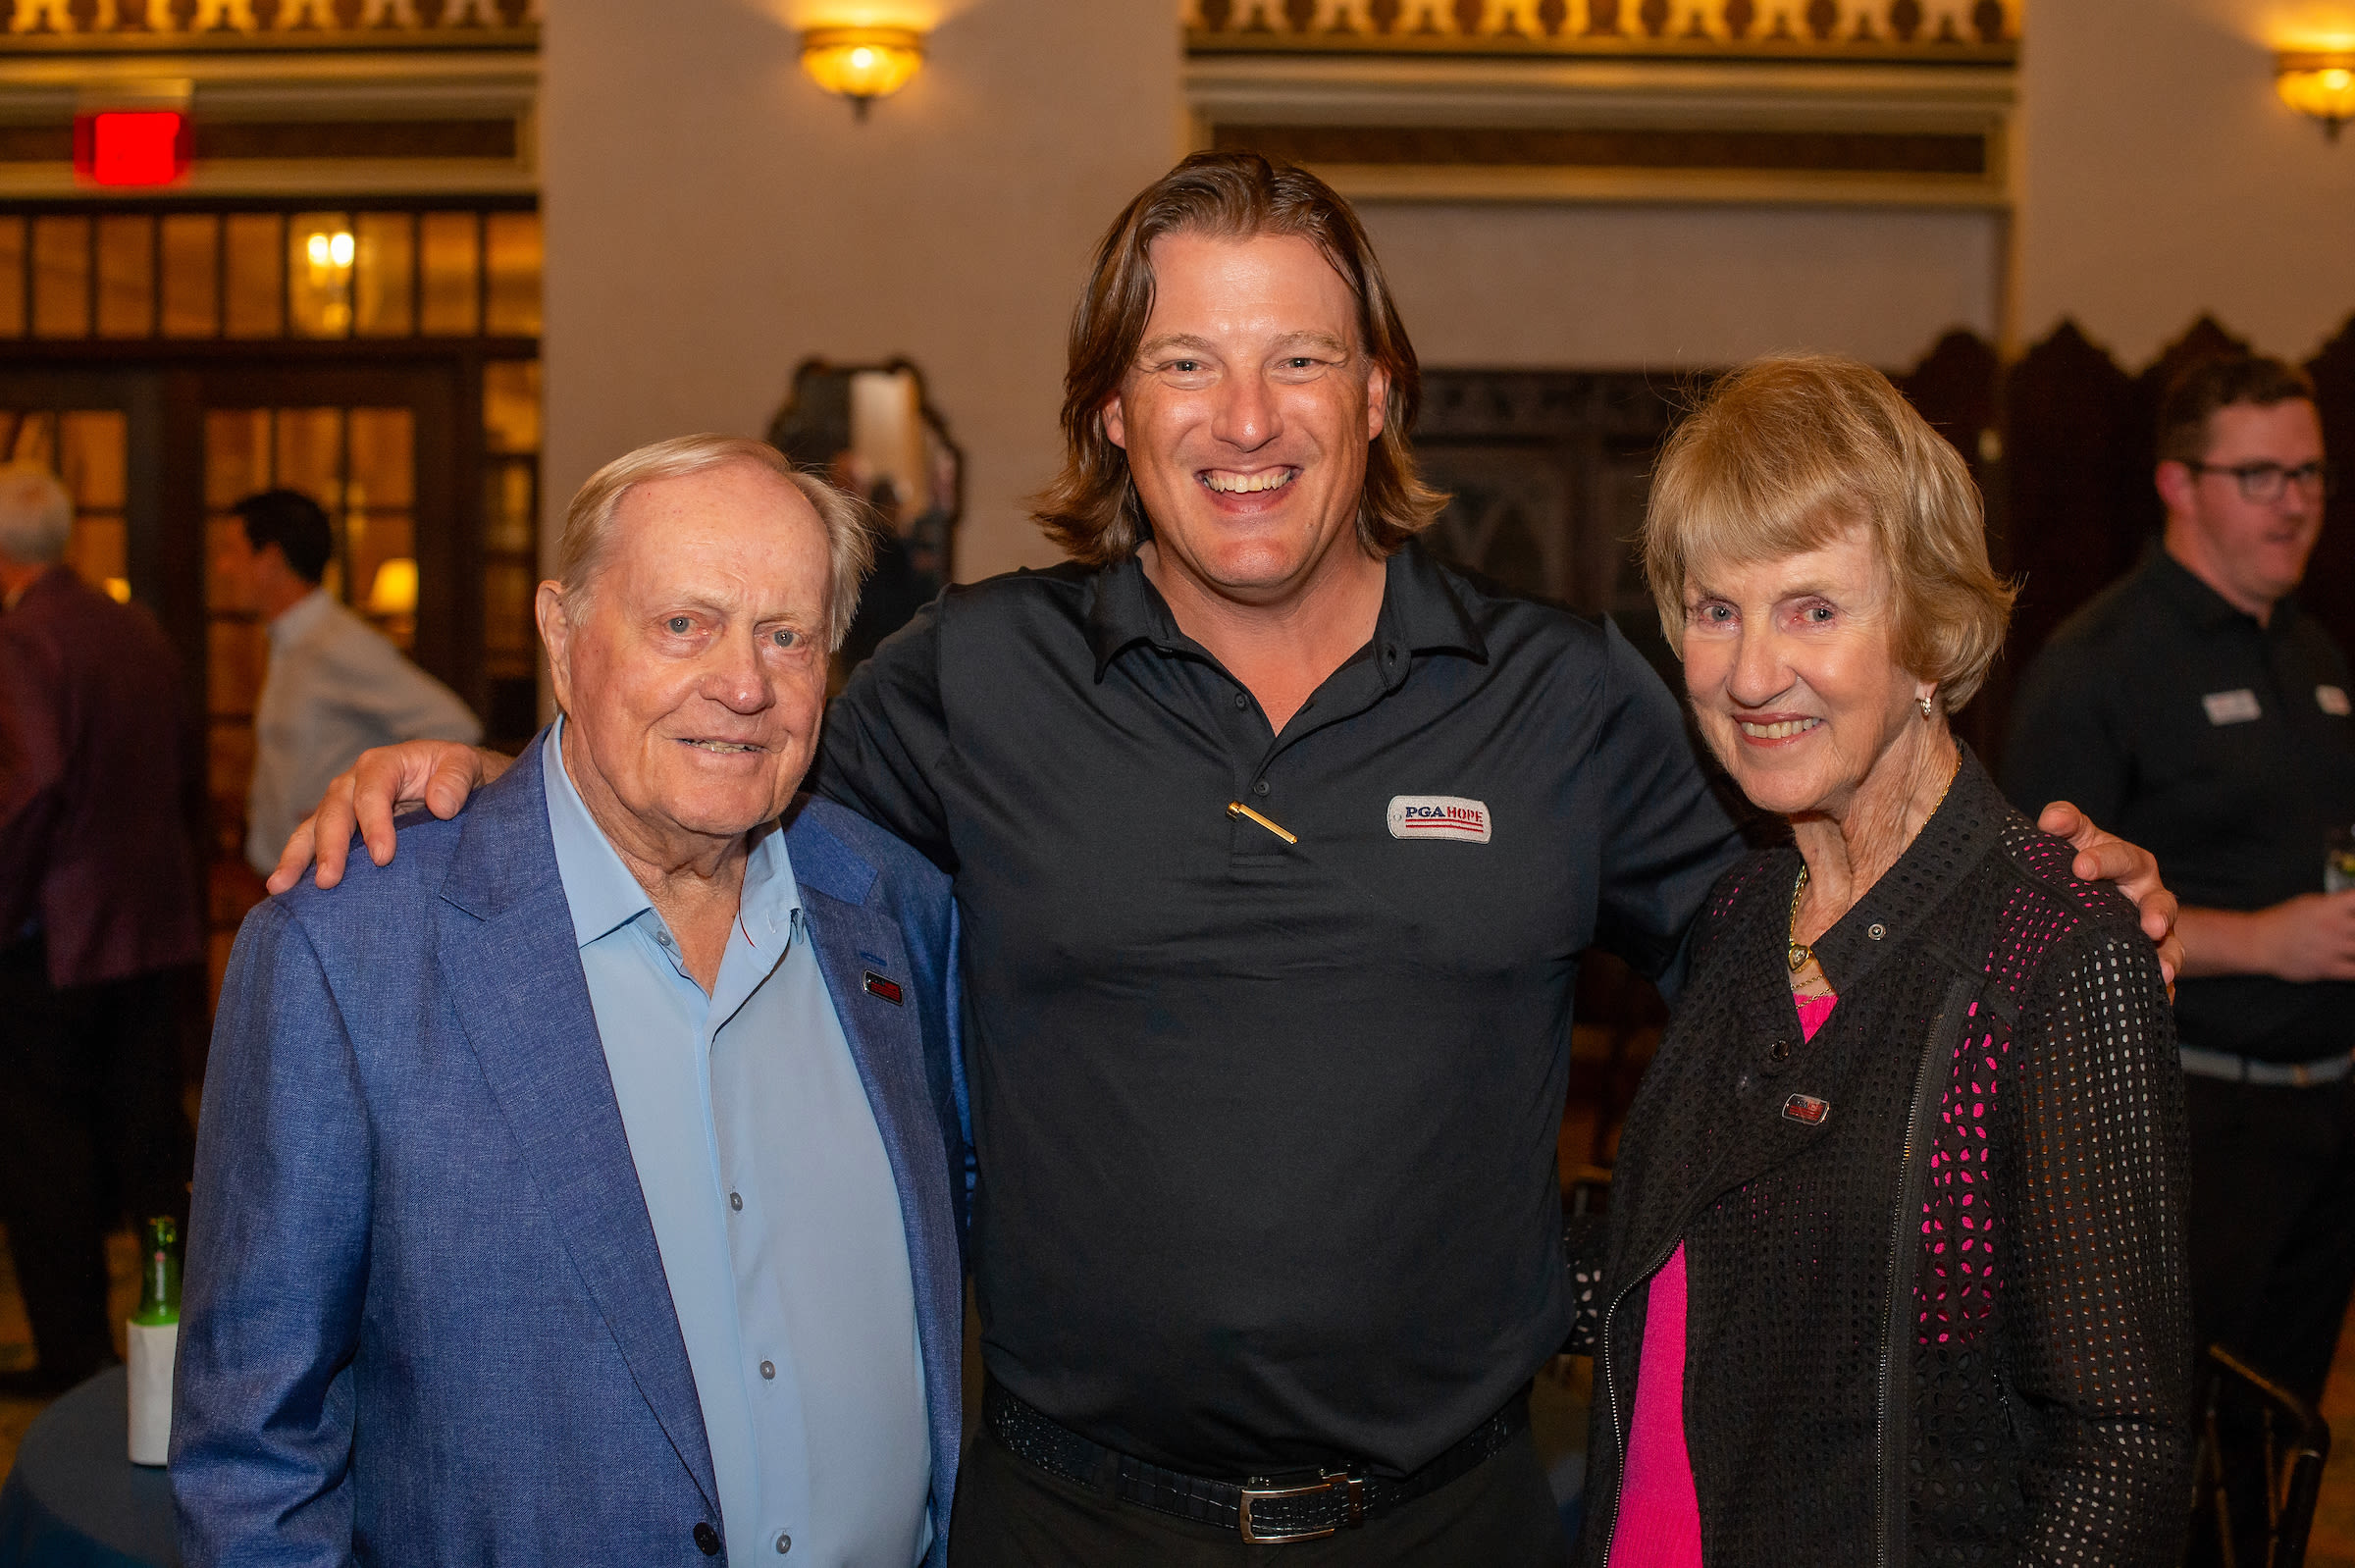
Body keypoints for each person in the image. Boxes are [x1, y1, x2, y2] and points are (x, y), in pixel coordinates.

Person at [274, 155, 2178, 1564]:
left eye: (1302, 362)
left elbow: (1807, 952)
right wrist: (500, 773)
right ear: (1113, 408)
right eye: (1189, 362)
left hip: (1458, 1524)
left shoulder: (1568, 696)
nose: (1247, 422)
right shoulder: (981, 677)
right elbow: (710, 759)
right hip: (1062, 1519)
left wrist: (2025, 897)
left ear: (1379, 397)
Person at [172, 438, 968, 1567]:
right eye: (683, 623)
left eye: (786, 634)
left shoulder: (897, 912)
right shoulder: (349, 958)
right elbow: (255, 1460)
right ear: (562, 631)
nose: (743, 684)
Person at [1566, 354, 2190, 1567]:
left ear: (1927, 634)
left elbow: (2121, 1454)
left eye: (1812, 607)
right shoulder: (1751, 910)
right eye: (1714, 609)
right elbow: (1719, 1263)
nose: (1750, 674)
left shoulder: (2058, 950)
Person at [2003, 354, 2348, 1409]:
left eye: (2310, 474)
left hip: (2327, 1109)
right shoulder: (2098, 662)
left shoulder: (2314, 651)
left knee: (2275, 1431)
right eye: (2260, 476)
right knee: (2165, 1435)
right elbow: (2038, 913)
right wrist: (2262, 937)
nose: (2293, 504)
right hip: (2188, 1110)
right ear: (2177, 483)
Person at [0, 462, 203, 1397]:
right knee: (150, 1146)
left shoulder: (24, 637)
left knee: (47, 1156)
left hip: (64, 938)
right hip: (153, 926)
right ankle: (196, 1345)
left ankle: (75, 1361)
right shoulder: (135, 627)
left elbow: (29, 792)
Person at [217, 487, 481, 877]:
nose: (223, 567)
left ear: (270, 561)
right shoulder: (289, 641)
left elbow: (456, 725)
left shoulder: (337, 645)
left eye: (232, 552)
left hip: (327, 879)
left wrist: (372, 805)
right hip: (288, 875)